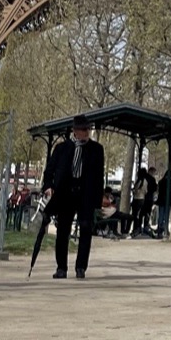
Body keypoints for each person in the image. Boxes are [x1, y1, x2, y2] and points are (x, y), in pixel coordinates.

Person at [41, 116, 106, 279]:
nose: (87, 132)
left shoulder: (96, 149)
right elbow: (49, 170)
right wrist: (48, 186)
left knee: (85, 228)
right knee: (63, 230)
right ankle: (61, 267)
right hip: (66, 193)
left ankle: (81, 267)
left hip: (85, 194)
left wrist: (98, 201)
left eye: (88, 129)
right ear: (75, 131)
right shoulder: (62, 148)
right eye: (83, 129)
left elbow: (99, 177)